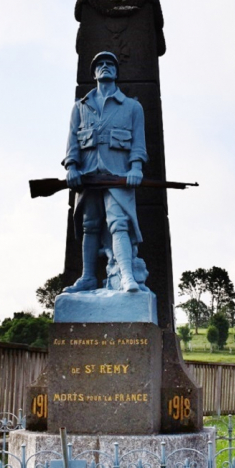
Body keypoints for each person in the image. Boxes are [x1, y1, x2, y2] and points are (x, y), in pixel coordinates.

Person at [62, 50, 148, 293]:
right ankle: (88, 277)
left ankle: (127, 276)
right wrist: (72, 167)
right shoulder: (80, 107)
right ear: (94, 72)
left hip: (118, 175)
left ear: (117, 71)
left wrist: (136, 167)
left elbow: (138, 143)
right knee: (90, 225)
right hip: (88, 175)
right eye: (100, 64)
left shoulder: (132, 107)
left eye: (110, 63)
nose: (105, 66)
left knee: (119, 224)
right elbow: (72, 142)